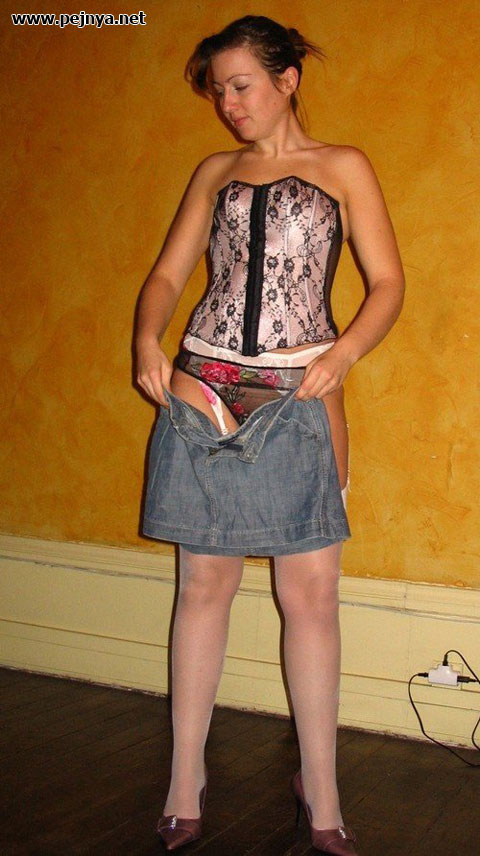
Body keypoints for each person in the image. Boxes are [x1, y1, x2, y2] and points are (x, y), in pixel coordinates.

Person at [135, 14, 405, 854]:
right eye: (219, 90)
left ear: (288, 79)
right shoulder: (213, 172)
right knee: (202, 587)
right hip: (204, 383)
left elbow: (388, 283)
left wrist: (345, 354)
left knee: (311, 594)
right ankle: (185, 779)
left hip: (299, 388)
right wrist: (147, 339)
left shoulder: (343, 166)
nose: (229, 103)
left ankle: (321, 790)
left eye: (242, 84)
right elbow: (169, 274)